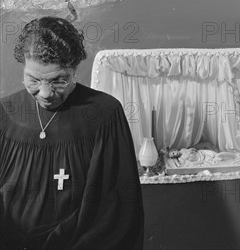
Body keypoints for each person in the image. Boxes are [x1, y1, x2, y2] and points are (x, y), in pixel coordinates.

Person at [0, 17, 144, 250]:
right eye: (34, 80)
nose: (46, 93)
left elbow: (117, 211)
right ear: (23, 66)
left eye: (59, 81)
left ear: (74, 70)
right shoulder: (4, 114)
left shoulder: (104, 115)